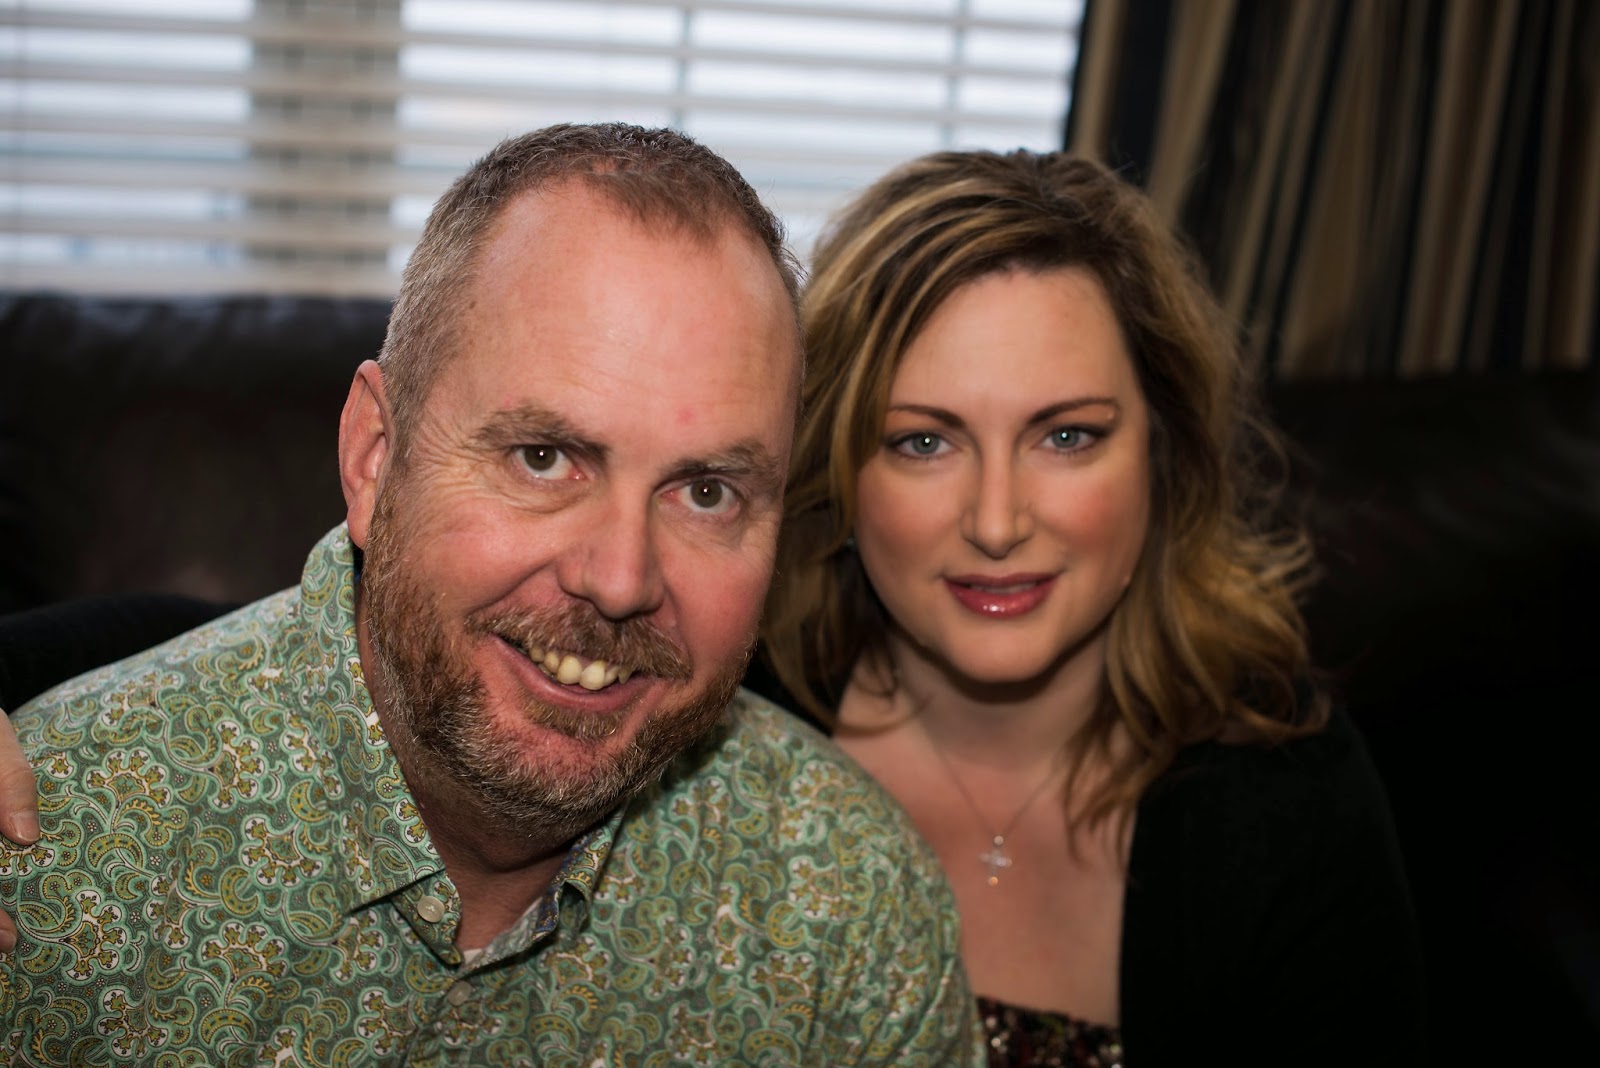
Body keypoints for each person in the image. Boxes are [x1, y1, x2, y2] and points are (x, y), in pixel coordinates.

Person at [0, 124, 982, 1066]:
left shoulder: (848, 912)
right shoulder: (49, 864)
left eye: (706, 492)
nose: (621, 580)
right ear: (375, 458)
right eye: (543, 457)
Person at [752, 148, 1427, 1065]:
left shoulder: (1290, 797)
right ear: (835, 464)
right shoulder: (716, 738)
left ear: (1162, 452)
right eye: (923, 443)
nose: (997, 523)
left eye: (1066, 436)